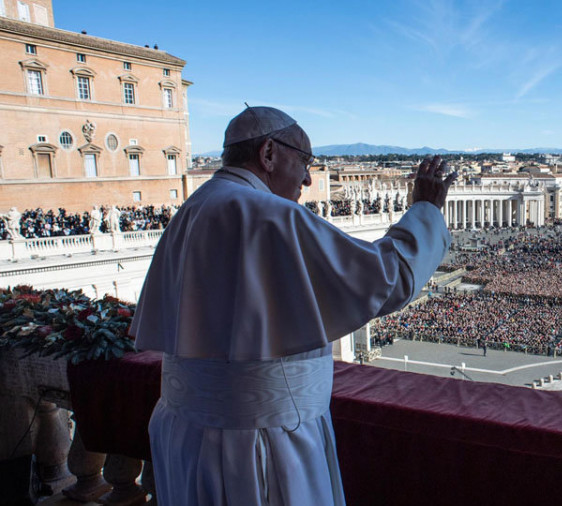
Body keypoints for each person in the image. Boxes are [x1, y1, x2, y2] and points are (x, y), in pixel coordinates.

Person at [132, 106, 457, 506]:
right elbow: (386, 279)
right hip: (263, 444)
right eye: (304, 161)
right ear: (268, 154)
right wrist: (424, 211)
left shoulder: (193, 209)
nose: (307, 177)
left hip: (185, 435)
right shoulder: (270, 214)